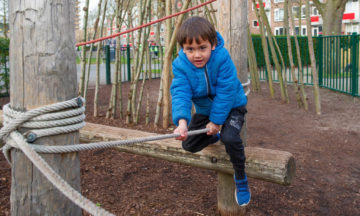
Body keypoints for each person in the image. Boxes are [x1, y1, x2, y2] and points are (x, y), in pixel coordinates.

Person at [170, 16, 250, 206]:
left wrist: (216, 121)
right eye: (190, 49)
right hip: (206, 111)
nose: (197, 54)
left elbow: (226, 91)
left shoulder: (222, 58)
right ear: (183, 48)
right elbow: (180, 92)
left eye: (202, 48)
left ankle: (241, 177)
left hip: (232, 107)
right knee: (188, 145)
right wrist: (181, 122)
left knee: (230, 138)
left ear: (212, 44)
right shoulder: (180, 65)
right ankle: (214, 136)